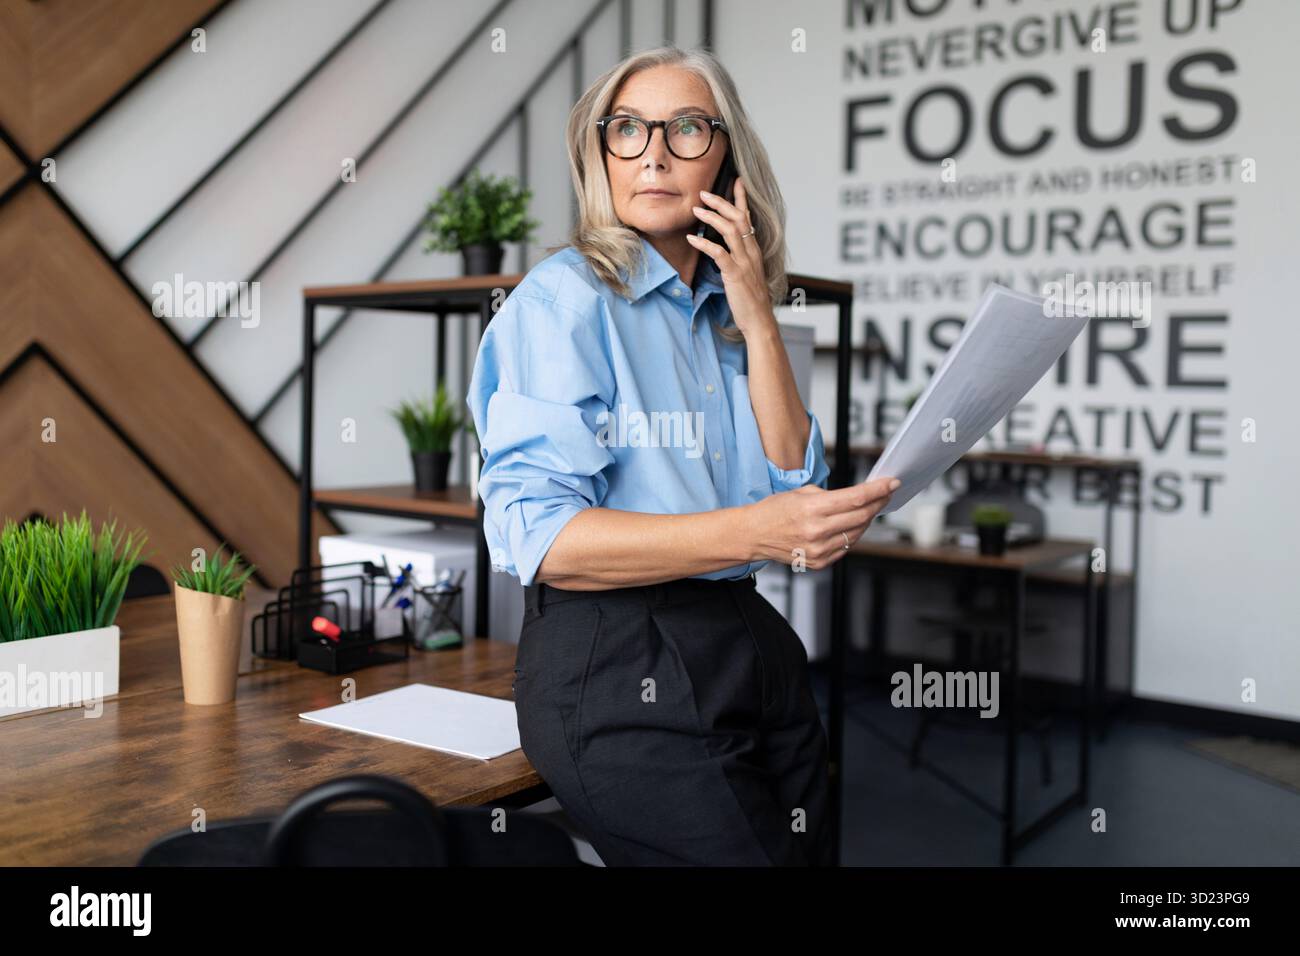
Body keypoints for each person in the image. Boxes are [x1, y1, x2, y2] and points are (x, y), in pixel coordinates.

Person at [466, 46, 897, 866]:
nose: (654, 151)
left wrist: (760, 317)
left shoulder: (729, 313)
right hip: (620, 657)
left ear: (726, 153)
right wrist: (756, 531)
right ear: (601, 155)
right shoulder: (563, 302)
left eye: (686, 128)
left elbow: (795, 489)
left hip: (748, 641)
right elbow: (542, 541)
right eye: (627, 129)